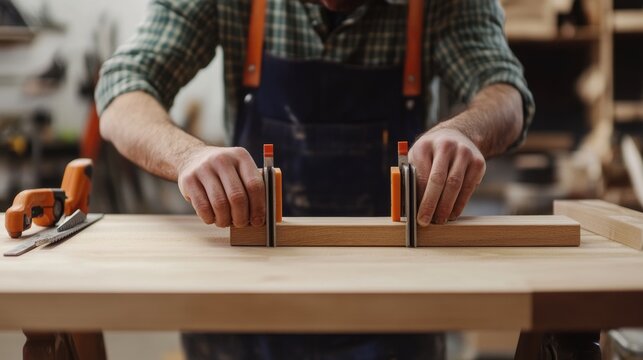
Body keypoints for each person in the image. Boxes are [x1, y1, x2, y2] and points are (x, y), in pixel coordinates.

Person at [96, 0, 534, 358]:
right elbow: (123, 87)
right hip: (248, 301)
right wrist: (186, 155)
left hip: (395, 307)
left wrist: (466, 131)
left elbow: (506, 92)